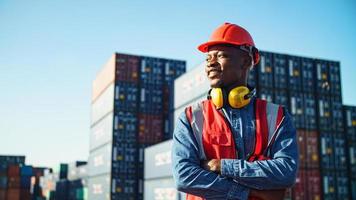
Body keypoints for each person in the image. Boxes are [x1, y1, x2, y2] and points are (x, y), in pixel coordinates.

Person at [172, 22, 299, 200]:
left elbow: (286, 172)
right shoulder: (191, 117)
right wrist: (249, 193)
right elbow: (184, 177)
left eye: (221, 56)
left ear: (246, 61)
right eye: (208, 58)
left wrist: (222, 166)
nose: (211, 64)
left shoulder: (277, 117)